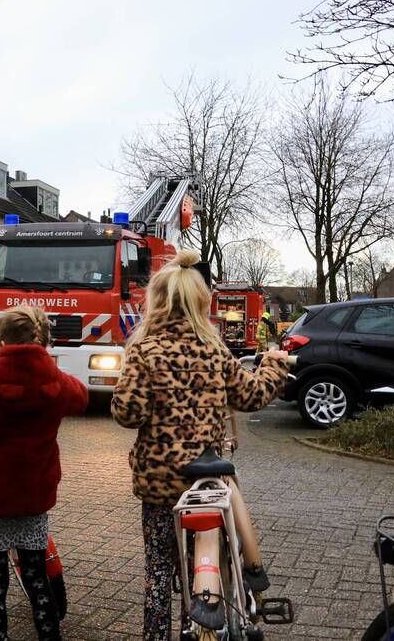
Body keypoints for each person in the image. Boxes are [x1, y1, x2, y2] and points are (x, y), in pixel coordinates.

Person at [111, 249, 291, 641]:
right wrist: (273, 366)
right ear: (200, 302)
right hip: (206, 485)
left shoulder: (144, 350)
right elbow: (251, 396)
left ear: (156, 301)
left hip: (160, 486)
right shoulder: (215, 350)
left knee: (159, 572)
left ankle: (156, 635)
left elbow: (128, 414)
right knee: (203, 564)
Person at [0, 305, 88, 641]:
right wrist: (50, 367)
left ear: (1, 339)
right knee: (37, 577)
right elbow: (81, 399)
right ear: (42, 338)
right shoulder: (53, 378)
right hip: (32, 496)